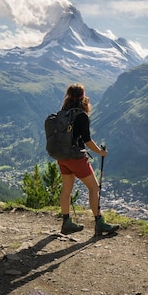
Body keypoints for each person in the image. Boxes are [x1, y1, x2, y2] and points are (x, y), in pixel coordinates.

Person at [57, 83, 119, 236]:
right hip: (76, 158)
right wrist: (100, 153)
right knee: (94, 188)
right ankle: (99, 223)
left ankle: (66, 223)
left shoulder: (63, 112)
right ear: (83, 97)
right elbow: (87, 140)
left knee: (66, 190)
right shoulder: (81, 116)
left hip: (62, 157)